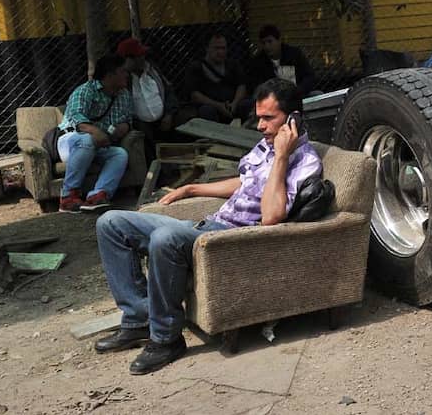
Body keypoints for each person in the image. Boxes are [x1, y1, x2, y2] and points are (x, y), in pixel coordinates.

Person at [93, 78, 322, 375]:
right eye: (259, 117)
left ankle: (166, 340)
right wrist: (192, 189)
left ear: (293, 119)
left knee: (166, 237)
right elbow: (246, 183)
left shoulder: (304, 162)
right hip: (207, 224)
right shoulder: (264, 147)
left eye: (269, 118)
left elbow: (271, 216)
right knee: (111, 222)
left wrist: (282, 156)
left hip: (231, 239)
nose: (260, 126)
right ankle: (139, 320)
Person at [57, 54, 134, 213]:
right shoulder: (85, 91)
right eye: (122, 71)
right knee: (87, 139)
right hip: (71, 141)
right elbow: (76, 118)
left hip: (100, 144)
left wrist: (124, 127)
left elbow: (128, 120)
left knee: (119, 153)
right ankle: (68, 197)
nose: (127, 74)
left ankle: (98, 196)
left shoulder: (124, 94)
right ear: (110, 74)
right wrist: (96, 132)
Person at [116, 37, 179, 163]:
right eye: (138, 56)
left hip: (163, 118)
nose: (142, 58)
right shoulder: (121, 80)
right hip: (140, 123)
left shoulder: (153, 70)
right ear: (128, 60)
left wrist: (169, 114)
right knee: (144, 133)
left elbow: (169, 91)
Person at [182, 32, 251, 123]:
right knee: (206, 110)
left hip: (232, 105)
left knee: (249, 104)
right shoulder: (196, 67)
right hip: (212, 107)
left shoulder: (232, 65)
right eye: (216, 48)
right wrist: (219, 106)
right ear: (207, 48)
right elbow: (195, 95)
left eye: (223, 48)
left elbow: (241, 85)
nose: (220, 52)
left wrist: (235, 103)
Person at [248, 24, 317, 97]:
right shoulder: (259, 61)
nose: (267, 46)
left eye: (270, 41)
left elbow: (310, 76)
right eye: (263, 43)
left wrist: (298, 90)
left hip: (297, 94)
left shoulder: (294, 54)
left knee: (318, 94)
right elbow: (256, 85)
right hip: (273, 99)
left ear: (279, 40)